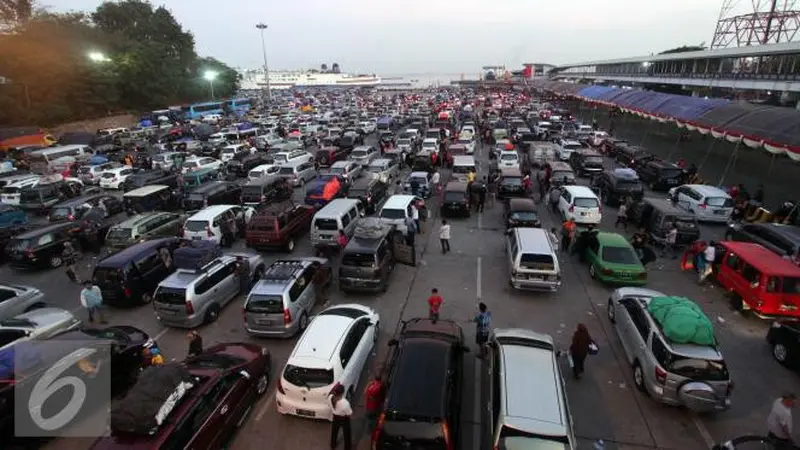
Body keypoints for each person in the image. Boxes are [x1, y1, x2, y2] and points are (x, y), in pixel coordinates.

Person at [329, 383, 353, 450]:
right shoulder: (345, 403)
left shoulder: (330, 397)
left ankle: (332, 445)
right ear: (342, 393)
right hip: (344, 419)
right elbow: (349, 413)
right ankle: (347, 448)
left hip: (335, 417)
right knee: (347, 434)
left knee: (334, 432)